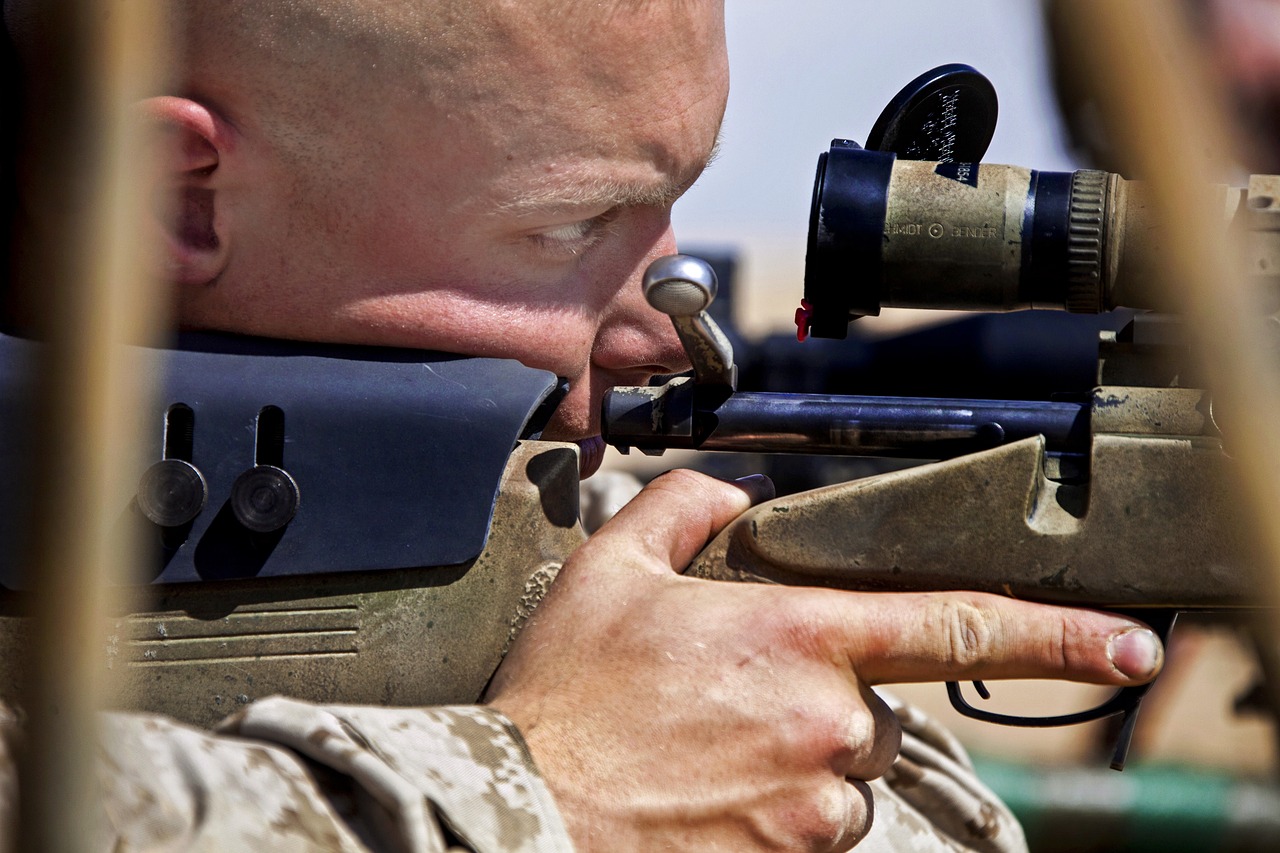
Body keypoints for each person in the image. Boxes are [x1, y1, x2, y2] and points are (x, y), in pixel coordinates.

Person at [2, 1, 1165, 850]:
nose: (666, 328)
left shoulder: (544, 519)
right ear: (169, 195)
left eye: (667, 207)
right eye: (571, 229)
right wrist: (539, 790)